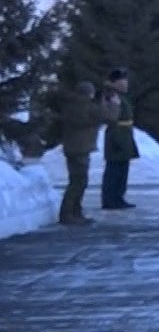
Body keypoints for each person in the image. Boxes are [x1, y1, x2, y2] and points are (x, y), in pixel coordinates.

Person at [57, 81, 108, 226]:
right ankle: (69, 214)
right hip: (81, 148)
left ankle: (73, 212)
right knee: (79, 182)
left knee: (76, 181)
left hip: (71, 147)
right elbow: (110, 116)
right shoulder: (89, 107)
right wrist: (110, 104)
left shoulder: (70, 106)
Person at [100, 69, 139, 211]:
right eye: (123, 81)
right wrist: (118, 139)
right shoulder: (112, 95)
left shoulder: (121, 95)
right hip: (116, 135)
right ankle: (110, 200)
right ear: (116, 82)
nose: (126, 83)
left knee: (122, 169)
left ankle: (118, 198)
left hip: (124, 134)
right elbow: (111, 118)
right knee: (114, 170)